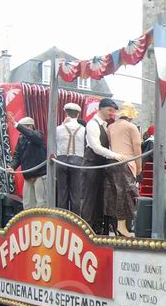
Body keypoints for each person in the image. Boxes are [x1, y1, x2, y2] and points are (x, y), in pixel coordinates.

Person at [80, 98, 126, 234]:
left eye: (113, 111)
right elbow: (95, 147)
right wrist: (114, 155)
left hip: (101, 168)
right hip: (91, 167)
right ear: (101, 109)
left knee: (100, 200)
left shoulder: (105, 126)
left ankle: (97, 231)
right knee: (90, 200)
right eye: (110, 110)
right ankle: (86, 231)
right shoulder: (92, 125)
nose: (112, 114)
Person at [106, 102, 142, 237]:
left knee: (115, 195)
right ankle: (122, 227)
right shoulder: (131, 127)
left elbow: (110, 144)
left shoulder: (110, 127)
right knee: (127, 195)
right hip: (127, 162)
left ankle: (118, 226)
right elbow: (137, 147)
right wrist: (139, 166)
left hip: (112, 162)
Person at [6, 116, 47, 208]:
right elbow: (17, 156)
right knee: (27, 204)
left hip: (40, 175)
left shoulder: (39, 135)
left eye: (23, 128)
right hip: (28, 176)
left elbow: (32, 135)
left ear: (30, 127)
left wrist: (16, 125)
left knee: (41, 204)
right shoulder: (21, 139)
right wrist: (12, 166)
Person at [55, 103, 85, 212]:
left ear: (66, 113)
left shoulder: (58, 129)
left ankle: (62, 219)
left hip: (61, 160)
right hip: (78, 161)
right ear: (78, 115)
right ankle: (75, 221)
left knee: (62, 193)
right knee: (76, 193)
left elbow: (53, 145)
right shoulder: (83, 130)